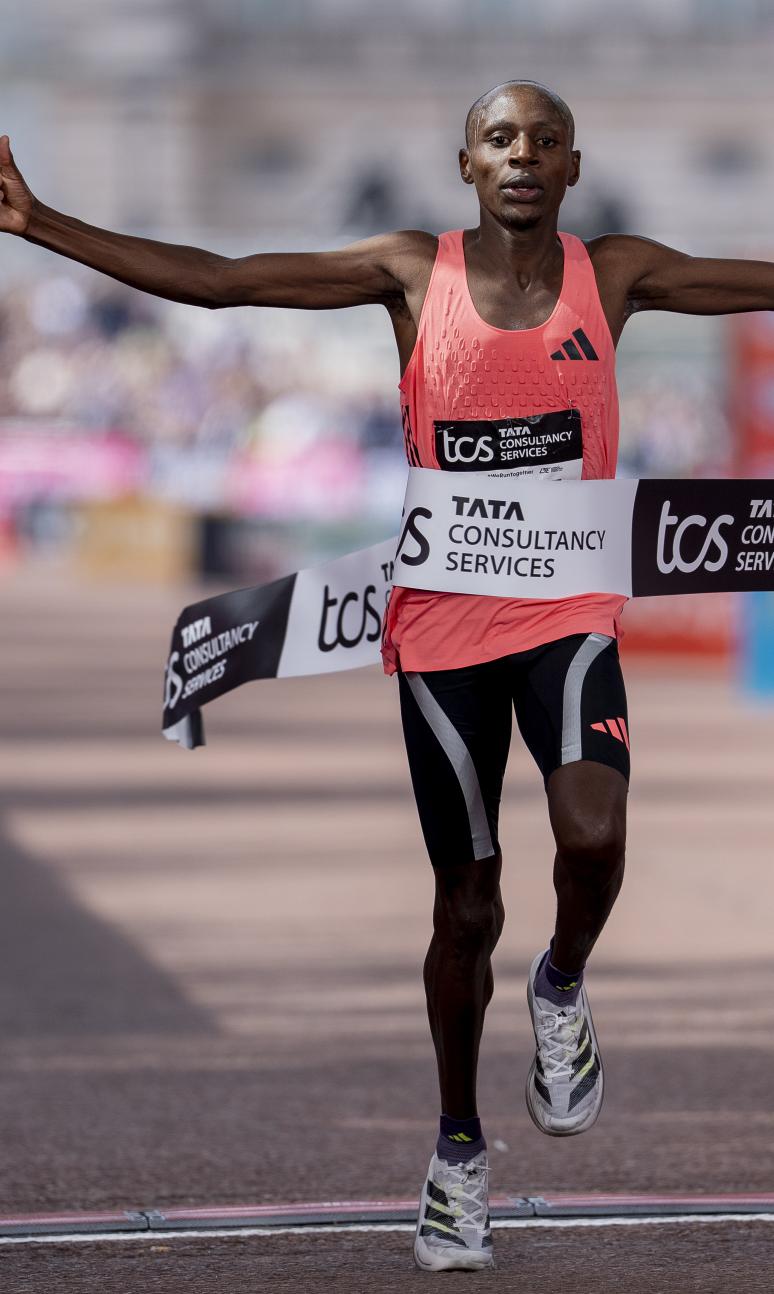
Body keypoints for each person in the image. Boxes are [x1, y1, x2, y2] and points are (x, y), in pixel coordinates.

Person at [4, 78, 774, 1272]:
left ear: (574, 167)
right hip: (442, 634)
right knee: (465, 906)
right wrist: (40, 221)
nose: (523, 155)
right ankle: (459, 1148)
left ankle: (562, 983)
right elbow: (222, 279)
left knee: (593, 830)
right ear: (467, 164)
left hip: (568, 611)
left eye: (546, 140)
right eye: (499, 139)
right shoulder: (412, 273)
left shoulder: (614, 274)